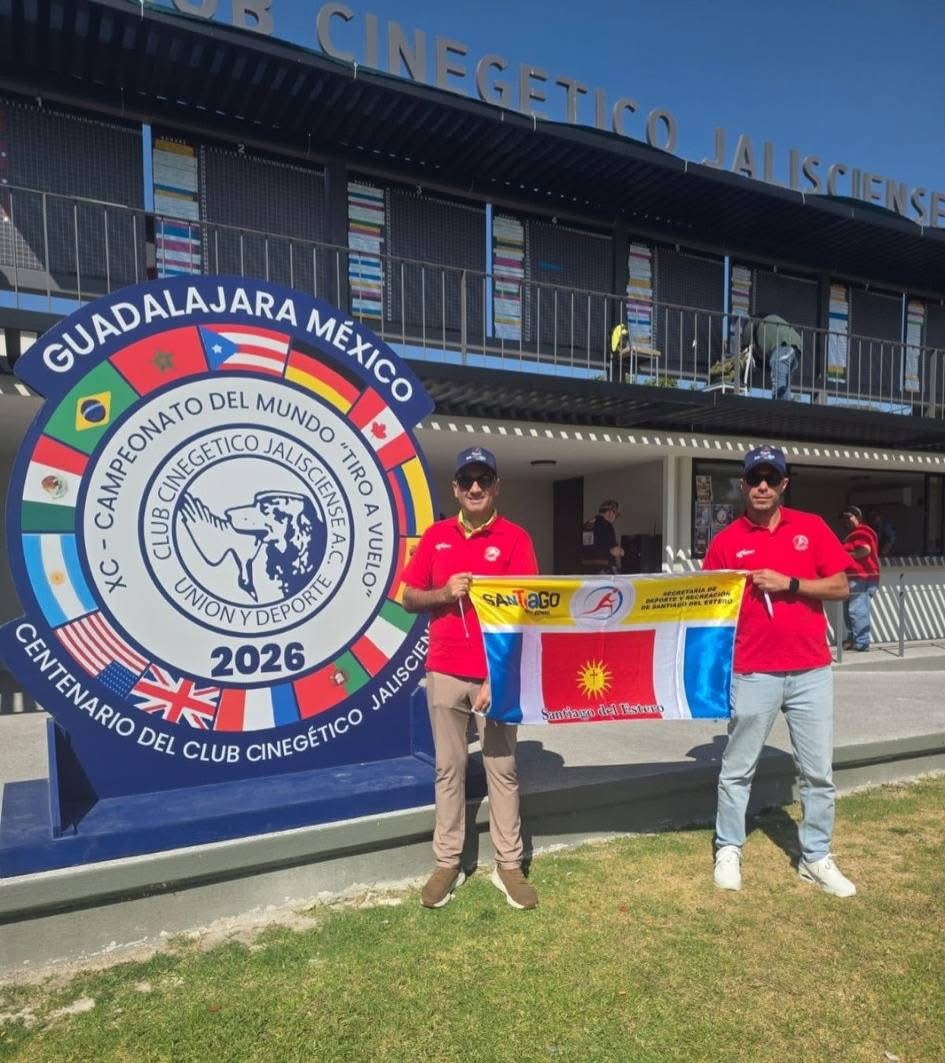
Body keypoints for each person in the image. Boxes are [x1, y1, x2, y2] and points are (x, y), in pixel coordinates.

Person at [702, 444, 856, 897]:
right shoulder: (726, 541)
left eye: (771, 478)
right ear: (743, 485)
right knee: (737, 769)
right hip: (753, 671)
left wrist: (789, 583)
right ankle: (728, 848)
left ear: (784, 483)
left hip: (811, 671)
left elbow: (841, 586)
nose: (763, 486)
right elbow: (708, 604)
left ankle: (816, 857)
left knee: (818, 772)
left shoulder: (811, 527)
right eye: (755, 478)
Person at [402, 445, 540, 911]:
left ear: (496, 485)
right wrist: (444, 592)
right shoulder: (436, 536)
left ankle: (509, 865)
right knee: (449, 769)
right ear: (455, 488)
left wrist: (497, 678)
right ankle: (448, 863)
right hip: (444, 670)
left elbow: (525, 613)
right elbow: (408, 596)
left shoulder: (516, 539)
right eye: (467, 480)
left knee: (503, 769)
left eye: (484, 479)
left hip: (494, 677)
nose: (475, 487)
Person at [840, 505, 880, 652]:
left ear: (858, 517)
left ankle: (861, 642)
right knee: (850, 610)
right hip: (858, 576)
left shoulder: (861, 532)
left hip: (861, 576)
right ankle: (853, 639)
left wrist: (845, 556)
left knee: (856, 609)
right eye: (844, 518)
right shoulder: (855, 533)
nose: (846, 521)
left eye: (849, 517)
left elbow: (865, 550)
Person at [590, 499, 625, 574]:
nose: (615, 518)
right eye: (615, 514)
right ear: (610, 512)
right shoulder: (607, 525)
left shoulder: (588, 524)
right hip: (605, 569)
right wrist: (622, 552)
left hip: (588, 570)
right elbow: (614, 551)